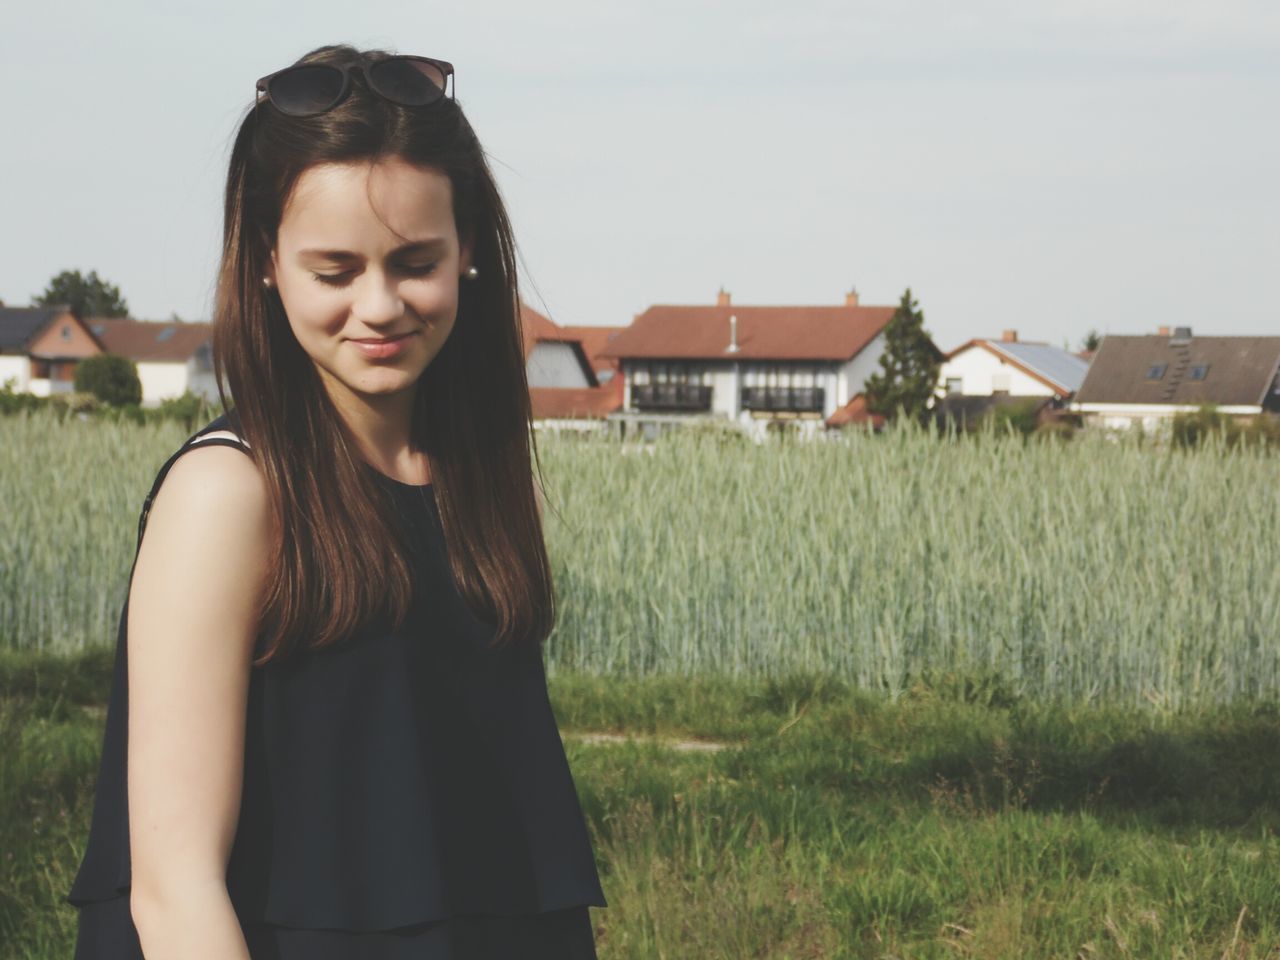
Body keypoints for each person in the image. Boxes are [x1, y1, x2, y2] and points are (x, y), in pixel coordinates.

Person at [64, 43, 607, 959]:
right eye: (335, 270)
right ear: (267, 263)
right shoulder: (228, 492)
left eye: (414, 261)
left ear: (468, 249)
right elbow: (174, 888)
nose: (381, 304)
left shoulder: (479, 468)